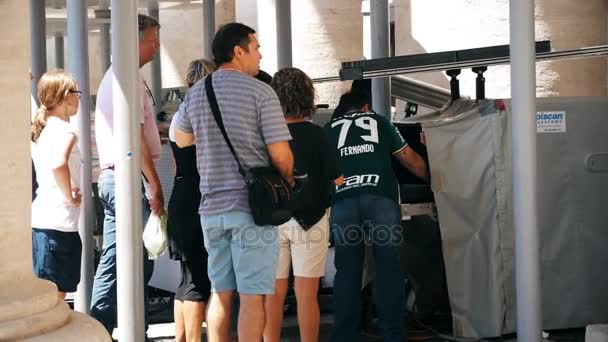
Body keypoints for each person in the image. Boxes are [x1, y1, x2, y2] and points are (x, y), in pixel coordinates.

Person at [173, 22, 295, 342]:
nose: (260, 54)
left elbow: (180, 138)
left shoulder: (198, 93)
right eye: (256, 48)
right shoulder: (261, 92)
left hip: (211, 209)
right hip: (250, 208)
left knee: (220, 292)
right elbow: (281, 154)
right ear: (238, 51)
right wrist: (289, 179)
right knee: (253, 296)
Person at [324, 89, 428, 342]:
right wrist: (434, 182)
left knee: (347, 271)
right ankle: (393, 334)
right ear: (366, 108)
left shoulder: (328, 128)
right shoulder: (380, 122)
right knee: (389, 269)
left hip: (344, 203)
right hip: (381, 202)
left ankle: (344, 335)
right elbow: (409, 159)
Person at [90, 14, 163, 336]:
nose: (157, 46)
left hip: (115, 178)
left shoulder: (122, 77)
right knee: (130, 260)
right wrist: (154, 183)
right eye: (153, 39)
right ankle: (118, 326)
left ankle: (110, 325)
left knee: (120, 258)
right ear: (134, 42)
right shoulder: (126, 80)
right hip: (126, 179)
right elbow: (133, 136)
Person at [263, 68, 343, 342]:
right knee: (307, 295)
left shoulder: (265, 135)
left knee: (272, 295)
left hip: (272, 220)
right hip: (311, 220)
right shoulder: (317, 134)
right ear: (307, 96)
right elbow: (337, 178)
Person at [167, 58, 216, 342]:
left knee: (187, 278)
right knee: (199, 280)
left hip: (180, 196)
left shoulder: (178, 116)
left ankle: (182, 338)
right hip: (198, 199)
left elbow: (177, 165)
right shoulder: (202, 117)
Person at [30, 69, 83, 301]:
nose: (79, 97)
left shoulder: (42, 128)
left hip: (44, 223)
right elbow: (58, 164)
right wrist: (70, 197)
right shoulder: (66, 130)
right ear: (65, 95)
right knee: (55, 300)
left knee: (48, 299)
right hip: (59, 226)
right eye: (76, 92)